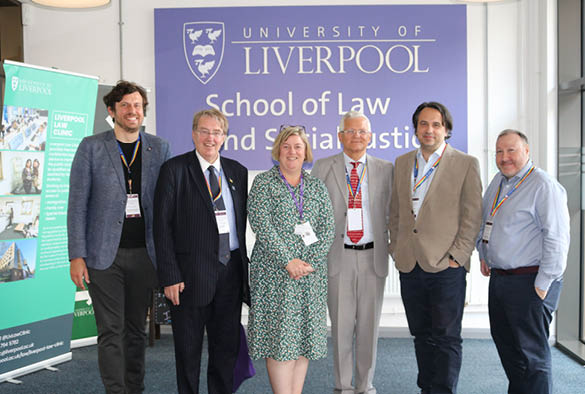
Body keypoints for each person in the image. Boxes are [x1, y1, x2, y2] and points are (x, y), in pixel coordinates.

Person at [67, 80, 171, 394]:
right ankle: (116, 390)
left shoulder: (159, 148)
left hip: (144, 254)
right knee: (110, 330)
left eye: (137, 105)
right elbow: (77, 204)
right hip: (102, 256)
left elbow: (168, 206)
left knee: (136, 331)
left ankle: (134, 388)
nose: (132, 111)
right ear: (112, 111)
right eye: (125, 105)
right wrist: (76, 255)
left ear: (143, 111)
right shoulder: (91, 146)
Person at [154, 108, 250, 394]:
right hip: (188, 277)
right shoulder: (174, 170)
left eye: (217, 132)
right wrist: (170, 276)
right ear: (194, 134)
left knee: (225, 349)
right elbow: (161, 227)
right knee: (188, 352)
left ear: (225, 137)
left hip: (230, 272)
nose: (211, 138)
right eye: (205, 131)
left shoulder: (236, 171)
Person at [389, 102, 482, 394]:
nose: (429, 130)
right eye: (423, 124)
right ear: (416, 128)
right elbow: (395, 211)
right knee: (420, 334)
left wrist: (458, 256)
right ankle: (427, 387)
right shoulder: (403, 162)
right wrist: (395, 247)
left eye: (436, 124)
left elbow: (472, 215)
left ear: (446, 129)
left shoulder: (465, 163)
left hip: (446, 266)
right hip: (410, 262)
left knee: (446, 337)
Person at [476, 129, 569, 394]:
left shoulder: (543, 186)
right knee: (509, 349)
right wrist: (484, 254)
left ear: (527, 151)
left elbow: (557, 239)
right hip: (501, 280)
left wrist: (543, 285)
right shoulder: (498, 182)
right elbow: (486, 221)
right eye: (499, 152)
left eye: (511, 150)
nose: (505, 157)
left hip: (531, 281)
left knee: (532, 357)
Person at [247, 125, 335, 394]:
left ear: (306, 151)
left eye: (297, 146)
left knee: (303, 341)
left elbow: (327, 227)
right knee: (281, 341)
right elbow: (261, 224)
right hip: (276, 276)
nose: (292, 152)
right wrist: (289, 261)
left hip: (309, 277)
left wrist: (308, 263)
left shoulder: (317, 186)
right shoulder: (264, 183)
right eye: (286, 147)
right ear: (278, 151)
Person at [311, 111, 393, 394]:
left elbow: (395, 214)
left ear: (370, 137)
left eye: (362, 132)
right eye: (350, 131)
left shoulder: (386, 169)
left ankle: (365, 385)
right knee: (341, 327)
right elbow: (312, 213)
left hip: (373, 257)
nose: (356, 136)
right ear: (339, 136)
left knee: (369, 329)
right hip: (338, 257)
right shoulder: (323, 167)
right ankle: (343, 387)